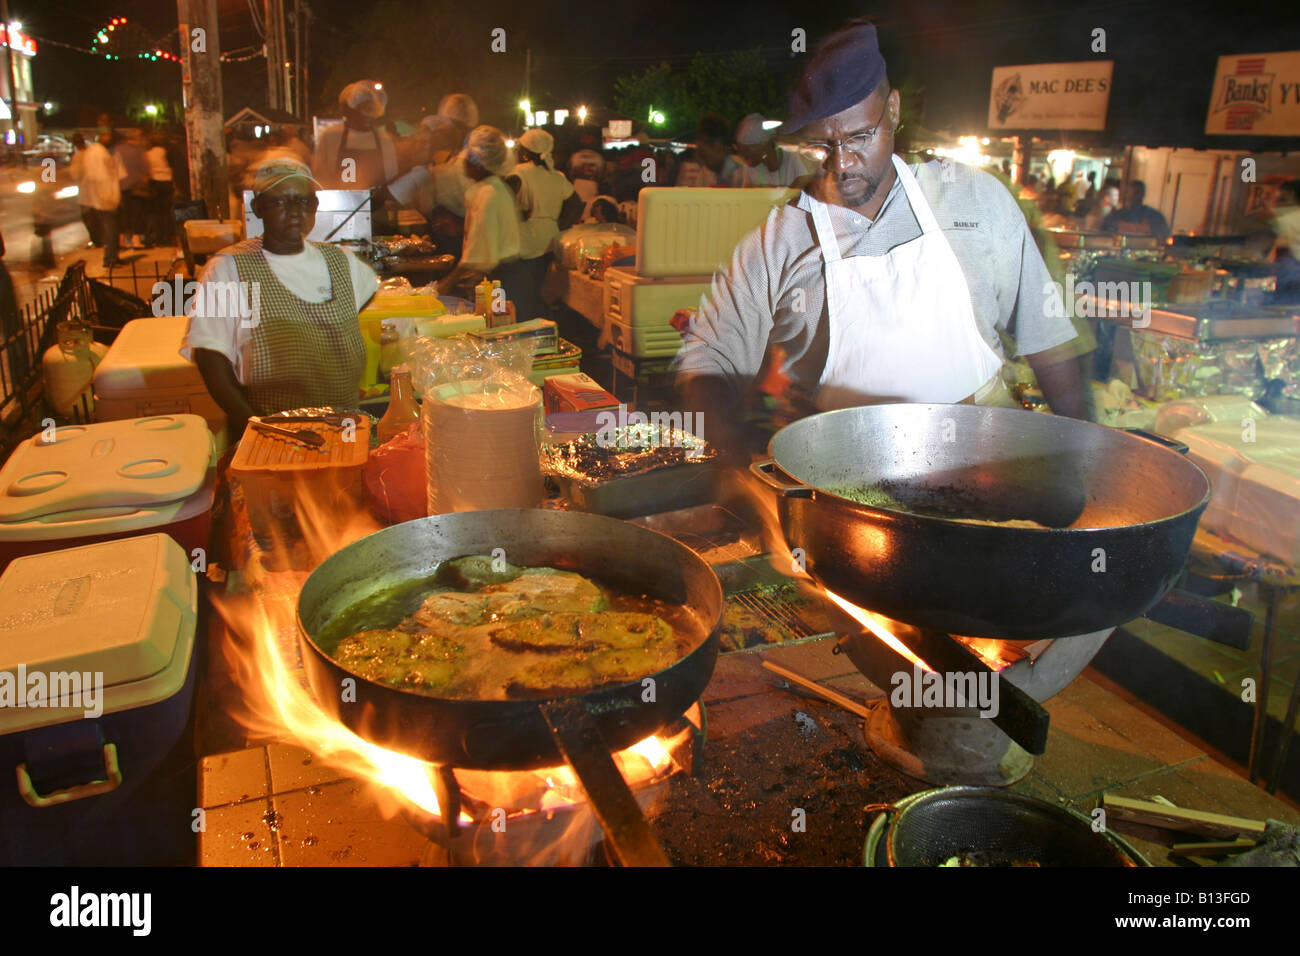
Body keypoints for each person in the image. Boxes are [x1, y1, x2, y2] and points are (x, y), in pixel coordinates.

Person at [673, 20, 1090, 459]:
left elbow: (1046, 336)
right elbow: (710, 354)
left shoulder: (973, 199)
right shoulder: (781, 238)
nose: (842, 163)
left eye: (860, 136)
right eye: (821, 146)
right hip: (841, 469)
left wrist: (1083, 455)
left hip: (984, 455)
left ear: (892, 110)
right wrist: (729, 451)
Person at [181, 157, 378, 439]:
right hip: (266, 434)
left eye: (303, 201)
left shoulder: (345, 263)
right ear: (257, 207)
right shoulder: (228, 268)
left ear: (315, 206)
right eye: (280, 202)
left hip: (343, 431)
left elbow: (345, 324)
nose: (295, 211)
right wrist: (266, 430)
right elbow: (211, 362)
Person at [435, 127, 528, 310]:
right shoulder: (490, 188)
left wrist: (446, 284)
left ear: (477, 164)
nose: (463, 164)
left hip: (502, 283)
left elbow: (479, 255)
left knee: (501, 331)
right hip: (504, 278)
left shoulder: (488, 194)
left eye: (467, 159)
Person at [512, 128, 584, 320]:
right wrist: (559, 224)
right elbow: (576, 203)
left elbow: (506, 194)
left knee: (521, 295)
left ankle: (530, 329)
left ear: (525, 152)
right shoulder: (557, 176)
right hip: (549, 241)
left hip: (523, 239)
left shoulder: (518, 172)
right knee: (537, 289)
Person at [313, 80, 398, 190]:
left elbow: (392, 179)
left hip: (377, 204)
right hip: (340, 204)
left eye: (371, 109)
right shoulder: (331, 136)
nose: (368, 115)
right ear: (350, 110)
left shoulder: (384, 140)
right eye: (364, 109)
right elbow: (320, 178)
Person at [78, 129, 123, 267]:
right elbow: (99, 178)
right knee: (110, 228)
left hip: (106, 198)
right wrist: (107, 198)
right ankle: (110, 259)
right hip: (104, 199)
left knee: (112, 228)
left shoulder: (102, 152)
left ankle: (112, 256)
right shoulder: (96, 153)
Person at [730, 114, 814, 188]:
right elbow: (746, 197)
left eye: (747, 153)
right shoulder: (750, 168)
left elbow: (806, 190)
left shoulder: (793, 160)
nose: (744, 158)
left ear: (762, 146)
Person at [674, 112, 740, 187]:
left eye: (703, 156)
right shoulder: (705, 174)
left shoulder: (741, 174)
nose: (702, 162)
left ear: (717, 145)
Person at [1101, 180, 1170, 241]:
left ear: (1143, 194)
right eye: (1134, 192)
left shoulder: (1155, 217)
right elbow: (1103, 236)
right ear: (1126, 194)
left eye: (1138, 192)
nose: (1137, 195)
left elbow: (1163, 238)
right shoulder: (1114, 216)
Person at [115, 128, 150, 249]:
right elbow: (145, 168)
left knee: (124, 215)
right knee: (137, 214)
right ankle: (136, 240)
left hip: (120, 186)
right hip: (137, 187)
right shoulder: (139, 151)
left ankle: (122, 241)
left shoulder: (118, 149)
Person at [145, 130, 174, 248]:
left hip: (155, 183)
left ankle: (158, 237)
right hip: (167, 182)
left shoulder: (148, 154)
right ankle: (168, 237)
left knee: (156, 212)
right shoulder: (165, 152)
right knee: (167, 211)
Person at [68, 133, 97, 247]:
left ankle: (96, 240)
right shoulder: (92, 153)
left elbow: (75, 175)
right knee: (96, 218)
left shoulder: (78, 157)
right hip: (96, 191)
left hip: (85, 192)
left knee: (89, 219)